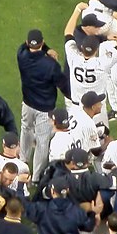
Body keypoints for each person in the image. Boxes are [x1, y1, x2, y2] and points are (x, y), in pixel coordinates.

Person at [17, 28, 69, 184]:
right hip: (44, 109)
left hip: (27, 103)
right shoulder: (50, 65)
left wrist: (45, 50)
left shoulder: (21, 56)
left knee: (25, 130)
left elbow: (25, 46)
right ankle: (36, 177)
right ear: (42, 42)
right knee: (42, 141)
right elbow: (62, 84)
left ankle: (22, 162)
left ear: (27, 43)